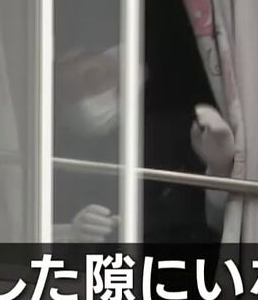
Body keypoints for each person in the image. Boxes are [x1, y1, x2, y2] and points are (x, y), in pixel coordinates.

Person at [52, 44, 236, 244]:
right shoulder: (62, 163)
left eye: (92, 78)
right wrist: (71, 232)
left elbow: (219, 222)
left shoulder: (183, 128)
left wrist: (220, 169)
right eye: (67, 91)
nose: (84, 96)